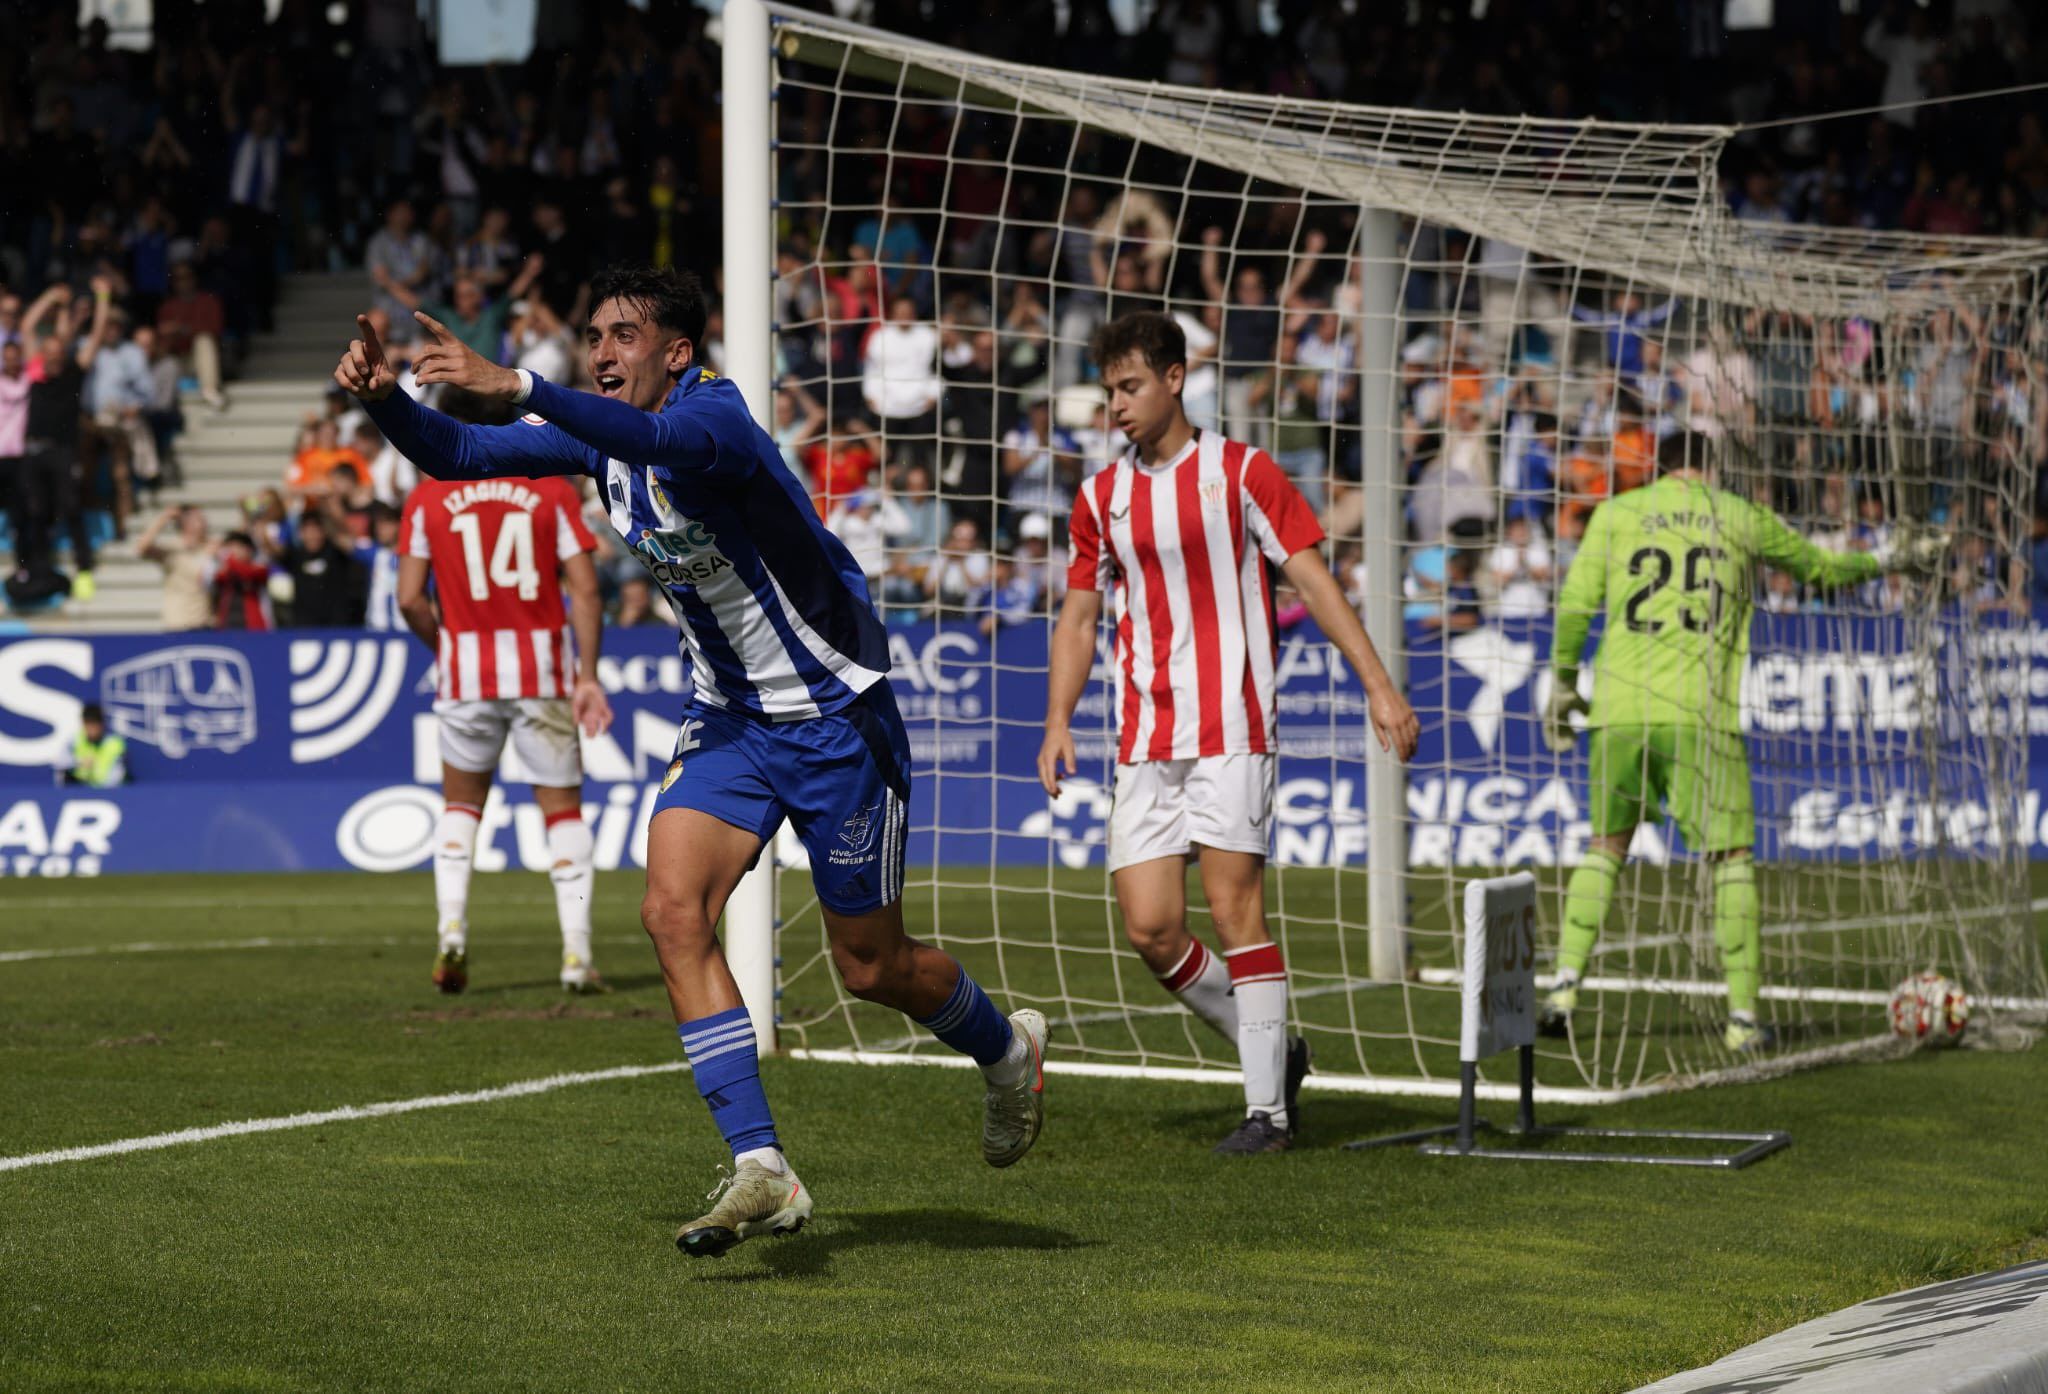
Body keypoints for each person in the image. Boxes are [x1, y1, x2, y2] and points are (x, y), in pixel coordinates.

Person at [334, 264, 1048, 1258]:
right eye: (591, 337)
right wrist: (384, 405)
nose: (599, 353)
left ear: (676, 351)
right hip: (730, 719)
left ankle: (1006, 1049)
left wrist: (528, 385)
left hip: (836, 716)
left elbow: (658, 440)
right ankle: (762, 1165)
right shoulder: (604, 435)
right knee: (671, 911)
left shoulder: (712, 417)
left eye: (621, 336)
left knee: (870, 965)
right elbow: (458, 452)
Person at [1038, 311, 1418, 1154]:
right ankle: (1276, 1049)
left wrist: (1379, 687)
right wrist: (1057, 720)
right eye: (1109, 393)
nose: (1118, 407)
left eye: (1130, 387)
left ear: (1176, 378)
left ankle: (1269, 1115)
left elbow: (1314, 583)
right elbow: (1077, 615)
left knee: (1235, 908)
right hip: (1142, 734)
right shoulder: (1102, 495)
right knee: (1150, 927)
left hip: (1233, 724)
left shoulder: (1242, 472)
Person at [1539, 433, 1948, 1053]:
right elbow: (1823, 570)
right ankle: (1741, 1018)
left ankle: (1563, 987)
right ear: (1714, 469)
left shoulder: (1617, 513)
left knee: (1605, 847)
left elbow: (1573, 607)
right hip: (1700, 714)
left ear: (1657, 468)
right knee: (1728, 860)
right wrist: (1891, 560)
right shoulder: (1739, 515)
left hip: (1619, 710)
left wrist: (1564, 686)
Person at [388, 386, 612, 995]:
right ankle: (576, 955)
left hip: (465, 675)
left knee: (461, 808)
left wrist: (448, 649)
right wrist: (587, 675)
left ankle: (453, 932)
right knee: (562, 811)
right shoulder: (551, 489)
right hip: (540, 671)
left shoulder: (428, 495)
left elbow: (408, 598)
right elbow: (587, 590)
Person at [135, 504, 214, 630]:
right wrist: (164, 519)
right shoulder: (173, 549)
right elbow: (142, 548)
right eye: (198, 518)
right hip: (179, 622)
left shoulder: (210, 548)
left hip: (205, 622)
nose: (204, 522)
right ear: (184, 523)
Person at [62, 704, 127, 788]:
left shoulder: (115, 744)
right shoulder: (73, 741)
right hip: (76, 791)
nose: (91, 727)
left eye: (95, 723)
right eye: (88, 723)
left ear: (102, 724)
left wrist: (92, 782)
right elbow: (61, 768)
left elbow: (118, 777)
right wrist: (79, 763)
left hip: (106, 792)